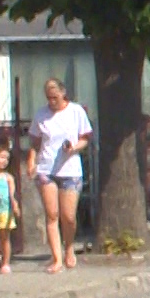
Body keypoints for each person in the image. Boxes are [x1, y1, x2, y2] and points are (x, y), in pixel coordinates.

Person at [26, 78, 93, 273]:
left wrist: (74, 148)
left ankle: (69, 248)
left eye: (55, 97)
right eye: (48, 98)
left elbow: (85, 138)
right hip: (47, 169)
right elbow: (35, 142)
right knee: (52, 214)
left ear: (63, 94)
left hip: (70, 169)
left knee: (68, 216)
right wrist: (32, 161)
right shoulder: (41, 115)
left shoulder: (75, 111)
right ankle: (56, 257)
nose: (52, 101)